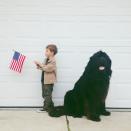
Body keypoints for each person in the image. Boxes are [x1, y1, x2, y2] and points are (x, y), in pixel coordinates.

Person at [34, 44, 58, 112]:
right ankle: (51, 107)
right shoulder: (46, 59)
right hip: (44, 79)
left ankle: (45, 108)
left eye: (47, 51)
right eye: (46, 51)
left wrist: (40, 64)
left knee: (47, 94)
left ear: (52, 52)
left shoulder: (53, 61)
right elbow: (44, 67)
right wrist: (39, 66)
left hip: (49, 80)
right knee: (45, 94)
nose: (45, 52)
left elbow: (47, 68)